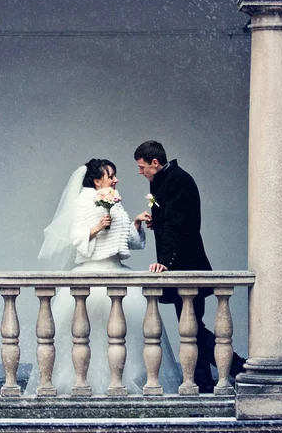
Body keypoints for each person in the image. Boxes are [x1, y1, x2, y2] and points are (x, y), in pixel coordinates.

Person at [26, 159, 181, 395]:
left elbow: (125, 240)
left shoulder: (114, 202)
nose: (116, 179)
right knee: (90, 335)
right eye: (111, 176)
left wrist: (136, 223)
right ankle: (83, 384)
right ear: (97, 180)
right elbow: (76, 237)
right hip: (92, 273)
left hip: (117, 273)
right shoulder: (84, 202)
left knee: (125, 335)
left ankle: (122, 382)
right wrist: (97, 227)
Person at [134, 140, 246, 393]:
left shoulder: (178, 180)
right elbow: (168, 220)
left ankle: (237, 365)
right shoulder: (162, 180)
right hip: (178, 265)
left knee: (192, 326)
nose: (140, 172)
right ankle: (203, 379)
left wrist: (166, 263)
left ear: (155, 162)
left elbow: (179, 224)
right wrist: (156, 221)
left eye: (142, 167)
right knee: (191, 327)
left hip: (187, 264)